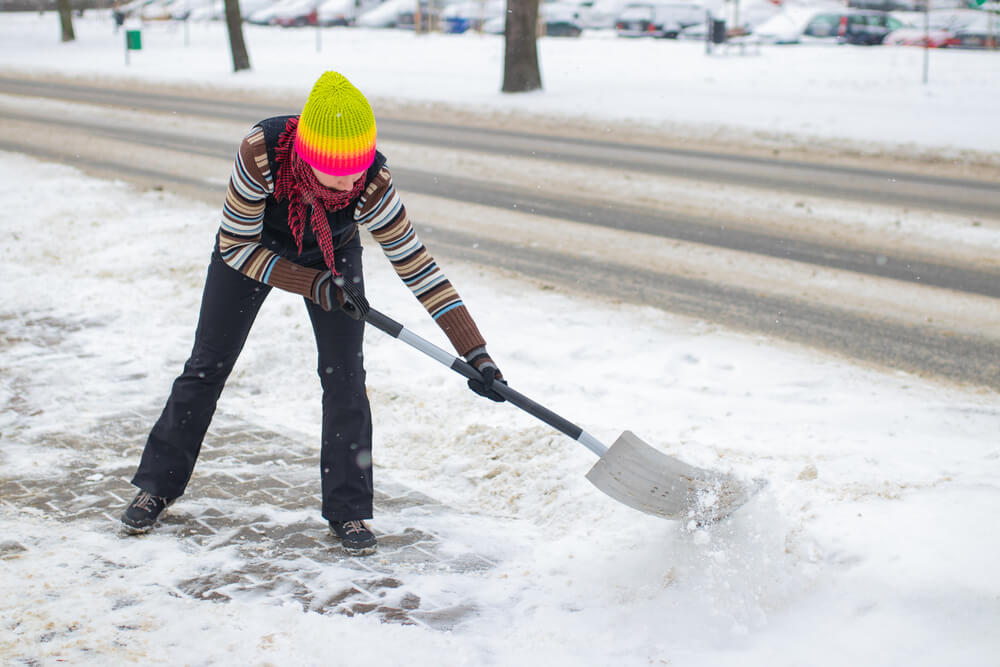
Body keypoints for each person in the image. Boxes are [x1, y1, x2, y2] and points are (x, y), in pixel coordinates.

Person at [120, 72, 506, 556]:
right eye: (335, 170)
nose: (348, 184)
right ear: (306, 156)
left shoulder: (372, 183)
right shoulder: (260, 153)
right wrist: (309, 283)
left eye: (356, 170)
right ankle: (158, 484)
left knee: (345, 378)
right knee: (207, 365)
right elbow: (235, 245)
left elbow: (418, 267)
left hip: (333, 251)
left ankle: (350, 511)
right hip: (252, 248)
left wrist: (476, 352)